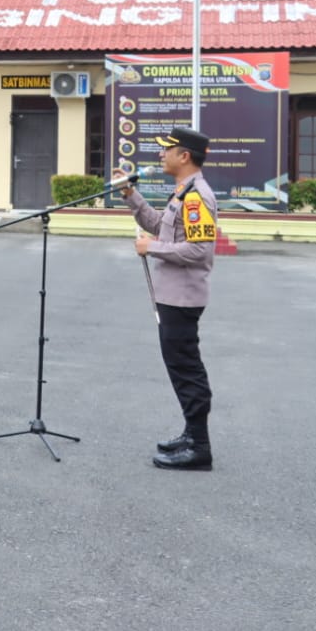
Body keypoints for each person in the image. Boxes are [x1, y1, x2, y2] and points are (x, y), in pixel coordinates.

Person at [119, 127, 218, 471]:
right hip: (172, 295)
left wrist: (152, 248)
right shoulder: (183, 193)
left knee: (186, 369)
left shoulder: (196, 196)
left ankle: (199, 447)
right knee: (181, 367)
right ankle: (192, 434)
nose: (162, 155)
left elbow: (198, 250)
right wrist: (131, 194)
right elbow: (160, 224)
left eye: (167, 150)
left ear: (184, 156)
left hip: (182, 298)